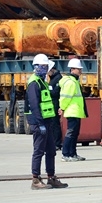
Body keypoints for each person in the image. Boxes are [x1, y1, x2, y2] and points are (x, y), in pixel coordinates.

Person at [25, 54, 68, 190]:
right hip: (39, 122)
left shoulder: (42, 81)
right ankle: (35, 179)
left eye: (45, 66)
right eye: (42, 66)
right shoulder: (34, 83)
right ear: (35, 67)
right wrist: (40, 123)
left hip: (47, 121)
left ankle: (51, 177)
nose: (44, 69)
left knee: (51, 151)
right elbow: (34, 105)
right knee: (38, 151)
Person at [58, 59, 87, 162]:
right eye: (79, 69)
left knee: (74, 134)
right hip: (72, 111)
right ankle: (66, 154)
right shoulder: (71, 82)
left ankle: (73, 154)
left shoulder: (74, 81)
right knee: (70, 133)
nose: (80, 71)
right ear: (72, 69)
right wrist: (62, 108)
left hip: (76, 111)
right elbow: (65, 97)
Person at [46, 60, 64, 149]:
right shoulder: (52, 78)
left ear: (52, 70)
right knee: (52, 123)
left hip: (55, 103)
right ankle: (54, 142)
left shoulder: (58, 78)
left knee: (55, 123)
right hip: (51, 103)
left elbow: (56, 92)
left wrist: (47, 90)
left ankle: (57, 143)